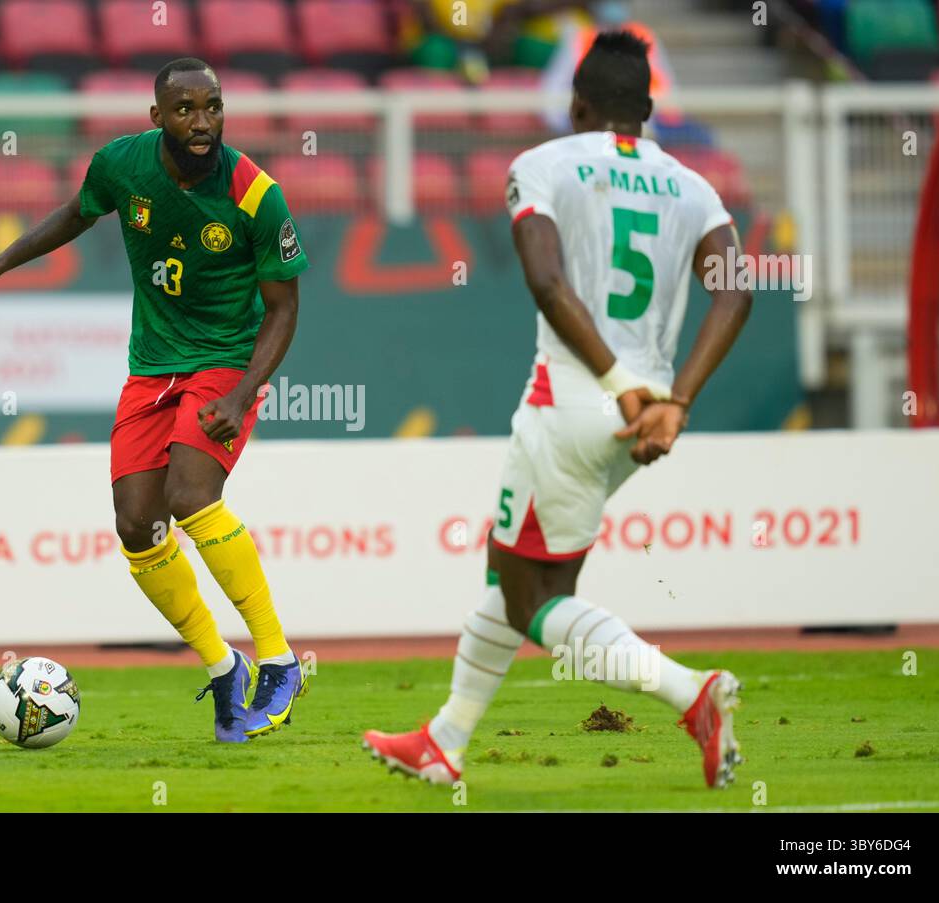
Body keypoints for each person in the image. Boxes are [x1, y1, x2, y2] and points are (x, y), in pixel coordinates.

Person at [362, 30, 753, 788]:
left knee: (534, 596)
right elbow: (735, 293)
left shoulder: (542, 163)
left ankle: (690, 692)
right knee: (511, 570)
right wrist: (674, 403)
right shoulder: (695, 187)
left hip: (575, 401)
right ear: (648, 107)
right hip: (642, 417)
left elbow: (546, 281)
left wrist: (613, 382)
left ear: (576, 106)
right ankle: (444, 741)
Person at [0, 59, 311, 744]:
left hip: (224, 361)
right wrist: (0, 264)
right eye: (187, 109)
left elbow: (284, 309)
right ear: (156, 116)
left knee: (192, 494)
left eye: (213, 107)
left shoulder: (257, 195)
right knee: (137, 524)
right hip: (152, 367)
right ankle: (226, 670)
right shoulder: (120, 166)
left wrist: (246, 389)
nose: (203, 122)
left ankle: (279, 659)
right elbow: (77, 213)